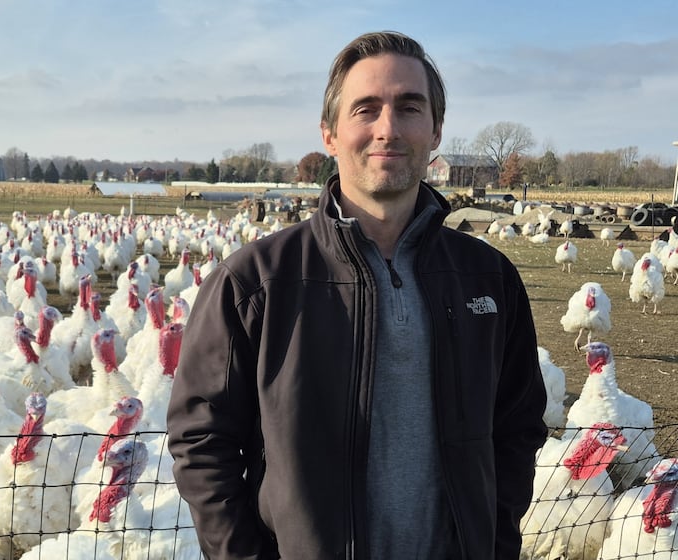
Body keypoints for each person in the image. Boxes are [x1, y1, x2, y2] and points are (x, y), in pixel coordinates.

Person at [167, 31, 547, 559]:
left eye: (410, 108)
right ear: (329, 133)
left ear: (435, 131)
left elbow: (517, 428)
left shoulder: (489, 280)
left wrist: (495, 541)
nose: (387, 129)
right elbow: (201, 442)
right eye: (365, 109)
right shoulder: (255, 283)